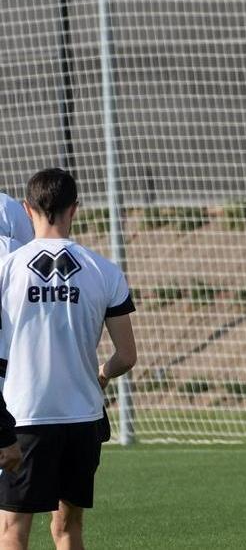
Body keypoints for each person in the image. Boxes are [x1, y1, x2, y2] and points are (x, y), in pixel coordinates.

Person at [0, 167, 137, 550]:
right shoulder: (105, 271)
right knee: (68, 529)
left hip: (23, 418)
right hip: (81, 419)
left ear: (27, 210)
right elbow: (126, 355)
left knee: (12, 532)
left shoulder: (7, 269)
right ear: (75, 208)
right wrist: (102, 375)